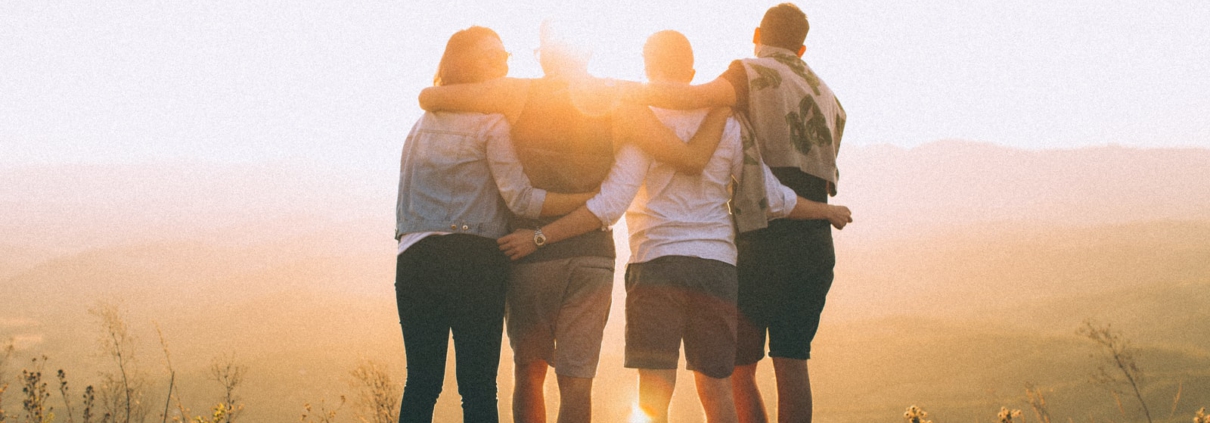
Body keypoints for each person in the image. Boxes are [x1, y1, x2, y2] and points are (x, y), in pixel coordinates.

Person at [497, 30, 850, 423]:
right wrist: (825, 211)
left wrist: (541, 236)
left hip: (656, 267)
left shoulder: (641, 123)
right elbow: (771, 196)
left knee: (654, 394)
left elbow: (609, 205)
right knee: (717, 390)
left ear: (647, 68)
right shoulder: (728, 123)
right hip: (716, 268)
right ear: (693, 70)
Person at [417, 21, 726, 423]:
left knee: (529, 372)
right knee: (577, 381)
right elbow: (689, 159)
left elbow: (432, 97)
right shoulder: (620, 105)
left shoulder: (517, 93)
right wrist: (722, 106)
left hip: (529, 254)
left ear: (546, 56)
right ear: (587, 54)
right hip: (593, 256)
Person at [622, 4, 849, 423]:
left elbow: (692, 98)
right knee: (793, 361)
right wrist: (826, 211)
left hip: (761, 235)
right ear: (801, 46)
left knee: (738, 370)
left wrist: (617, 92)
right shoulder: (828, 95)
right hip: (815, 237)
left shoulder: (751, 72)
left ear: (757, 33)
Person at [394, 26, 596, 423]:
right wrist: (586, 201)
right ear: (469, 64)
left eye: (505, 55)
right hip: (474, 260)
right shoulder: (491, 123)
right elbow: (520, 198)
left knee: (420, 381)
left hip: (414, 259)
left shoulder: (420, 126)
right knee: (478, 385)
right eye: (493, 57)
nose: (504, 63)